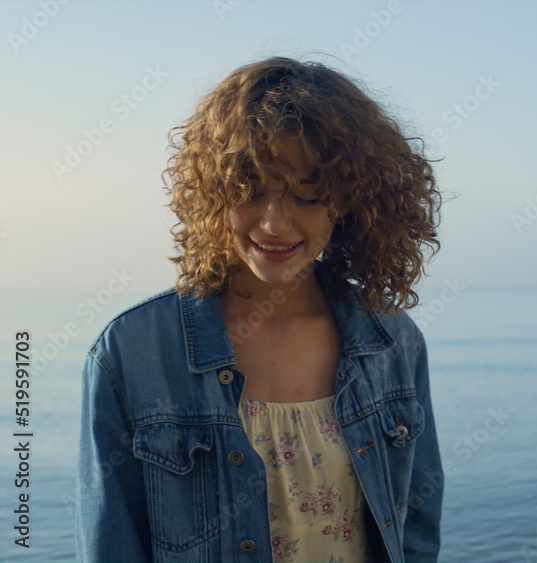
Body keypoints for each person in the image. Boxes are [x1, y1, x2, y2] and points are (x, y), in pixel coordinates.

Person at [75, 56, 444, 563]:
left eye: (307, 196)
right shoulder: (132, 352)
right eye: (250, 190)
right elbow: (110, 545)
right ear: (214, 189)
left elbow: (417, 532)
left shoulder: (393, 343)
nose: (274, 223)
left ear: (349, 202)